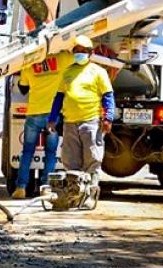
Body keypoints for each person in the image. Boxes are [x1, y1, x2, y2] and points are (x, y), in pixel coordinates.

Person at [47, 35, 115, 201]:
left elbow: (108, 96)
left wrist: (108, 118)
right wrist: (52, 119)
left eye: (83, 51)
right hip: (70, 123)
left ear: (90, 53)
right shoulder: (68, 72)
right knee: (70, 161)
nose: (79, 54)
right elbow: (59, 97)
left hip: (91, 121)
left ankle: (90, 195)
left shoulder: (98, 72)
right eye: (77, 51)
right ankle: (74, 196)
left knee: (92, 159)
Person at [11, 50, 74, 199]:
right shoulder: (63, 58)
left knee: (27, 152)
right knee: (51, 153)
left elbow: (23, 88)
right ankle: (46, 187)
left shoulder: (30, 63)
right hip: (53, 115)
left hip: (33, 113)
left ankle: (21, 188)